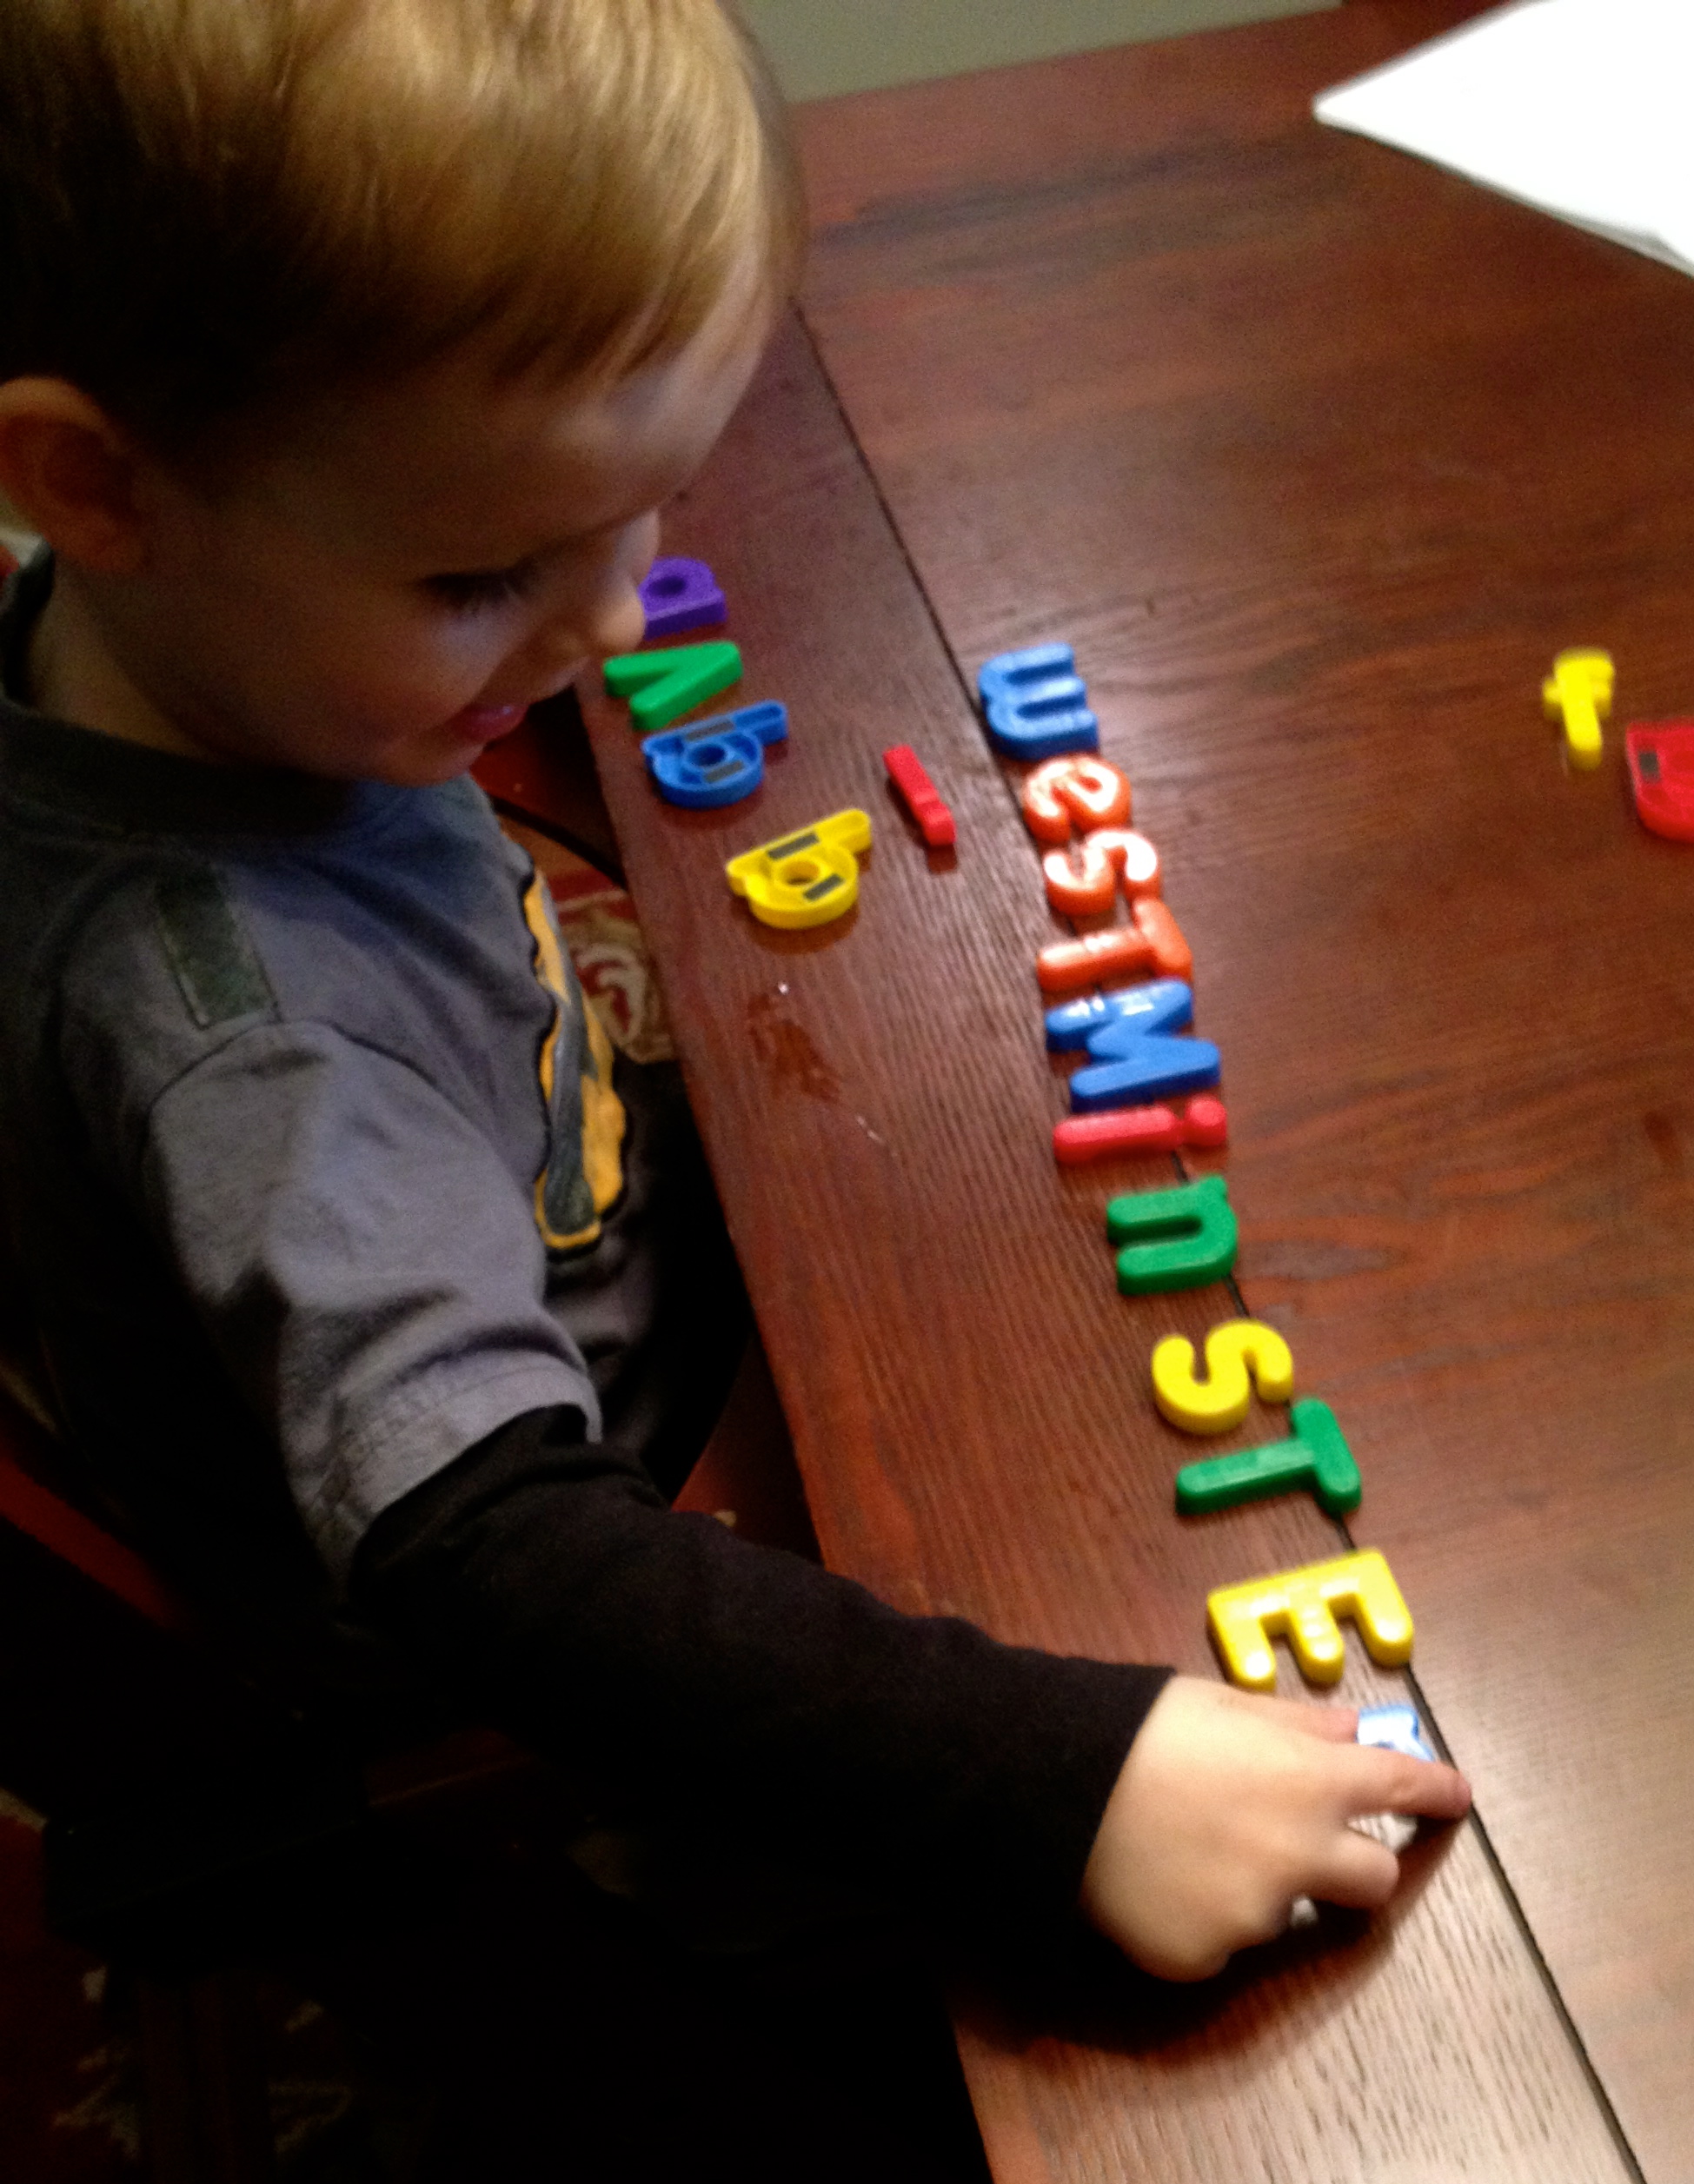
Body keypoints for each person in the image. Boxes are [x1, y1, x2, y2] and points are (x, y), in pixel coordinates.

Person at [0, 0, 1468, 1990]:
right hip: (562, 1550)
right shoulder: (251, 1043)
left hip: (507, 1241)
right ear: (94, 484)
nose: (612, 617)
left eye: (647, 511)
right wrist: (1061, 1783)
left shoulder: (153, 647)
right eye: (481, 575)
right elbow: (491, 1559)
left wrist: (485, 598)